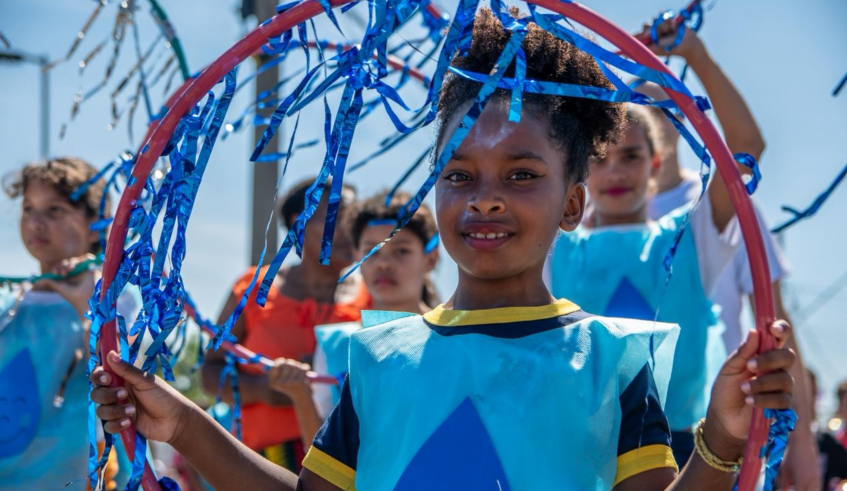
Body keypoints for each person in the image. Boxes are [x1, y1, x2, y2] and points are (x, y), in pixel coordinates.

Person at [91, 9, 796, 490]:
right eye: (458, 175)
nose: (484, 197)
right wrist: (183, 422)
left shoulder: (612, 361)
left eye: (521, 175)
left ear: (572, 203)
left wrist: (721, 437)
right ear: (435, 194)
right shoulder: (375, 356)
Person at [636, 16, 819, 487]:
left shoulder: (717, 205)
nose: (643, 122)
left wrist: (799, 449)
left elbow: (775, 322)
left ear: (680, 120)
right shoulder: (590, 219)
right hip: (621, 428)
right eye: (629, 111)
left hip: (715, 426)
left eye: (657, 110)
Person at [201, 177, 369, 472]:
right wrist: (264, 389)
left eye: (353, 218)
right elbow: (210, 373)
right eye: (336, 215)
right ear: (299, 223)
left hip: (344, 465)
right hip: (259, 465)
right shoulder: (253, 288)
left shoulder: (372, 299)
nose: (347, 228)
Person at [0, 157, 136, 490]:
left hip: (77, 478)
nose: (35, 222)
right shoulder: (10, 299)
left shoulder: (116, 295)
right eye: (29, 208)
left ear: (97, 222)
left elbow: (131, 374)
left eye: (55, 210)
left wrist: (86, 304)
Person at [275, 190, 440, 432]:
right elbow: (321, 455)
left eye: (401, 251)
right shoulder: (336, 344)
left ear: (430, 259)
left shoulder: (454, 335)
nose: (383, 263)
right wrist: (301, 396)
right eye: (371, 251)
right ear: (356, 257)